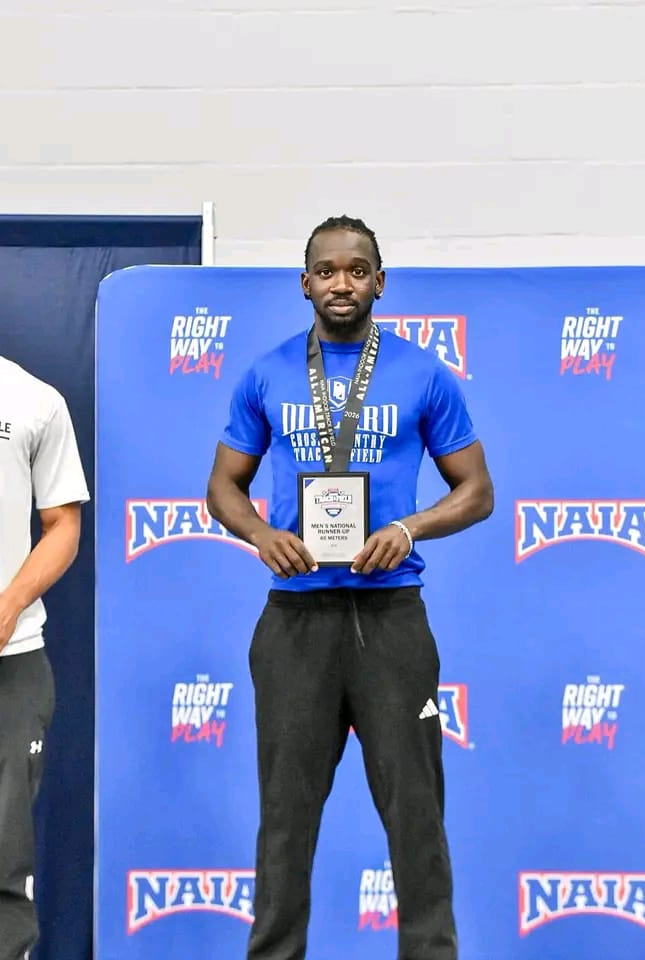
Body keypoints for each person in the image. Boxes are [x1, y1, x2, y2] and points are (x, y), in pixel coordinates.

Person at [207, 214, 493, 960]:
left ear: (380, 283)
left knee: (415, 813)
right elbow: (223, 487)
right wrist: (260, 534)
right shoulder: (268, 373)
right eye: (328, 271)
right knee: (285, 818)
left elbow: (477, 491)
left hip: (391, 617)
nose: (343, 283)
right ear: (305, 283)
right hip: (295, 623)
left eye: (357, 271)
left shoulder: (422, 373)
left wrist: (409, 529)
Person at [0, 223, 89, 960]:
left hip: (6, 665)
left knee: (2, 863)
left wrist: (7, 606)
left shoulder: (34, 401)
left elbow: (63, 527)